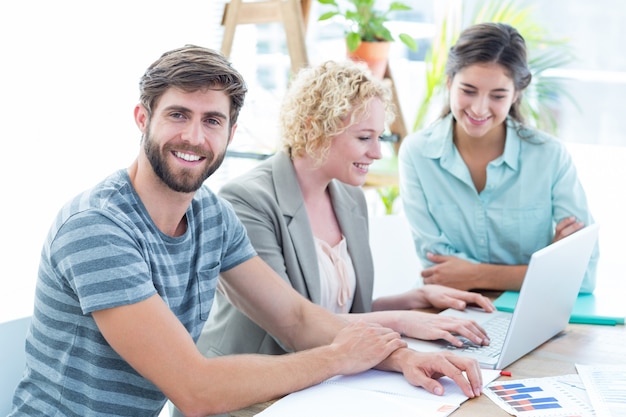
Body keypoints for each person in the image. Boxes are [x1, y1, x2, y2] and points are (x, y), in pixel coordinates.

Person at [9, 46, 485, 417]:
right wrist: (339, 357)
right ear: (142, 118)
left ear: (231, 134)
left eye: (212, 120)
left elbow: (295, 318)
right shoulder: (98, 229)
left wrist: (400, 357)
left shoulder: (210, 215)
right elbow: (195, 390)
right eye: (178, 115)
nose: (195, 137)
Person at [194, 59, 495, 377]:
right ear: (313, 129)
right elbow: (294, 322)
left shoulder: (349, 197)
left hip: (325, 377)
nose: (378, 153)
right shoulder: (248, 201)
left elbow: (339, 313)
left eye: (380, 137)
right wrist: (402, 320)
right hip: (251, 383)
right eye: (365, 138)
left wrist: (413, 299)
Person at [398, 22, 598, 294]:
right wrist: (539, 270)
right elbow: (438, 273)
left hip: (531, 313)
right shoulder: (417, 153)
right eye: (468, 91)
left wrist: (475, 275)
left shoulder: (549, 157)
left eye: (498, 95)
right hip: (446, 311)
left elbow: (581, 275)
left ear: (516, 94)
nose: (479, 108)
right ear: (449, 82)